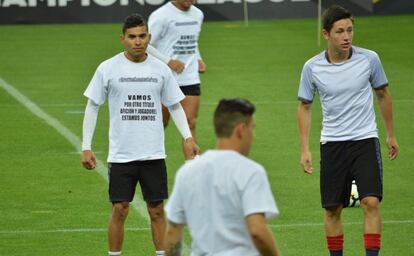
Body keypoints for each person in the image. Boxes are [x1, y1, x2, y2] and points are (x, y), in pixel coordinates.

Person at [80, 14, 200, 256]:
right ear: (122, 38)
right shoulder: (108, 68)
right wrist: (86, 145)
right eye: (132, 37)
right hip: (122, 154)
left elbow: (175, 105)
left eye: (142, 36)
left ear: (149, 38)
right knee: (120, 209)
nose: (138, 41)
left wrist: (188, 137)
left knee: (156, 210)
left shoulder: (160, 70)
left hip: (153, 153)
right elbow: (93, 105)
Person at [297, 5, 399, 256]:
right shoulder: (312, 67)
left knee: (370, 202)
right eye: (340, 31)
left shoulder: (370, 59)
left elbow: (383, 94)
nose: (346, 37)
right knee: (332, 209)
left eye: (350, 30)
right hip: (332, 143)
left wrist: (390, 134)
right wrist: (305, 148)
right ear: (326, 34)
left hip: (365, 139)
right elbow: (305, 107)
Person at [164, 98, 281, 256]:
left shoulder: (187, 172)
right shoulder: (251, 172)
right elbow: (257, 231)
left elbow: (173, 232)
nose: (253, 136)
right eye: (252, 128)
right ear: (241, 130)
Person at [147, 0, 206, 159]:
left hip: (189, 77)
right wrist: (169, 62)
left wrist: (198, 58)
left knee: (190, 122)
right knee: (160, 125)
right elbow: (145, 44)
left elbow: (193, 42)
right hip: (165, 78)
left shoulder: (198, 14)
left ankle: (193, 171)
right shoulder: (160, 16)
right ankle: (145, 161)